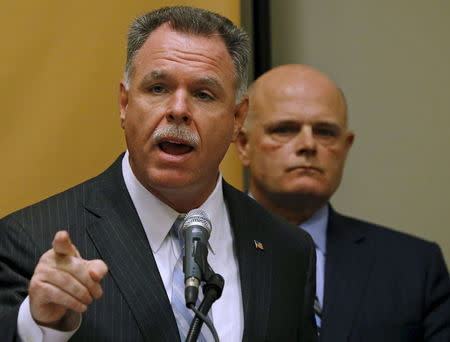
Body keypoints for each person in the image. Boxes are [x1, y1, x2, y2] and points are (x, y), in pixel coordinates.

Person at [0, 7, 318, 342]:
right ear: (124, 103)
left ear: (238, 119)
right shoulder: (29, 239)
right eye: (158, 88)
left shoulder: (287, 249)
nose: (178, 110)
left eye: (203, 94)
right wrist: (40, 324)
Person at [236, 64, 450, 342]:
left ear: (345, 147)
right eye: (285, 129)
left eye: (325, 132)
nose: (308, 145)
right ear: (243, 144)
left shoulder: (414, 267)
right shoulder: (197, 253)